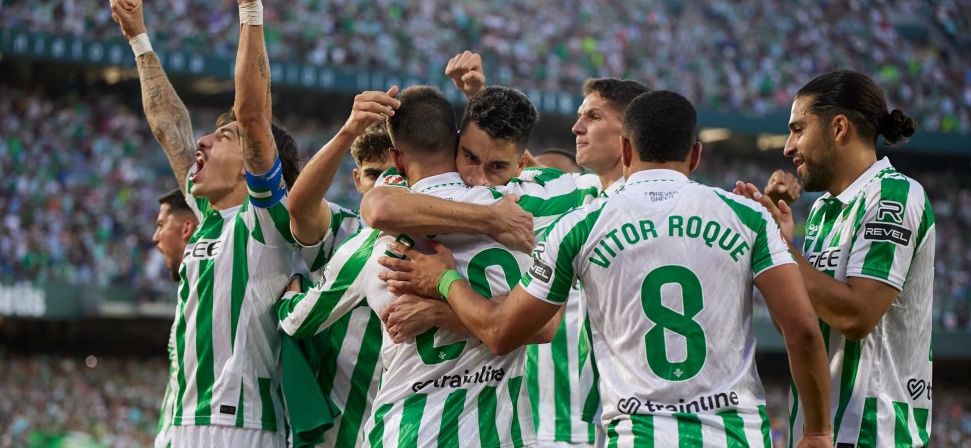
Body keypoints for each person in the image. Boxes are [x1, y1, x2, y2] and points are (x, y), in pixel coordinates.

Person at [379, 90, 834, 447]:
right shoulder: (747, 216)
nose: (479, 177)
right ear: (696, 156)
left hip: (634, 435)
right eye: (470, 158)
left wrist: (445, 280)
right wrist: (817, 432)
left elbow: (503, 332)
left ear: (625, 148)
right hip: (737, 435)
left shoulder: (580, 222)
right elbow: (803, 331)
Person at [279, 85, 562, 447]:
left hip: (409, 432)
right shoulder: (523, 209)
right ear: (456, 141)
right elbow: (541, 326)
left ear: (397, 160)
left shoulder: (372, 242)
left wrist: (289, 296)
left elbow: (298, 321)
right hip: (503, 436)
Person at [111, 0, 303, 445]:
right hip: (179, 423)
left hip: (242, 427)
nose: (204, 141)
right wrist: (139, 39)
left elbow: (253, 114)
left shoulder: (266, 219)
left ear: (252, 162)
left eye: (224, 137)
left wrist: (250, 9)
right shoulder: (209, 216)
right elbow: (169, 127)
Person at [736, 70, 934, 447]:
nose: (788, 147)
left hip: (875, 434)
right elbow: (798, 324)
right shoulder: (824, 211)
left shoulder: (892, 195)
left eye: (798, 129)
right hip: (819, 433)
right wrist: (777, 251)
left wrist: (777, 246)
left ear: (839, 128)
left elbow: (856, 316)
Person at [151, 189, 198, 448]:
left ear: (186, 228)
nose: (155, 237)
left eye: (161, 225)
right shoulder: (186, 292)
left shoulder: (211, 287)